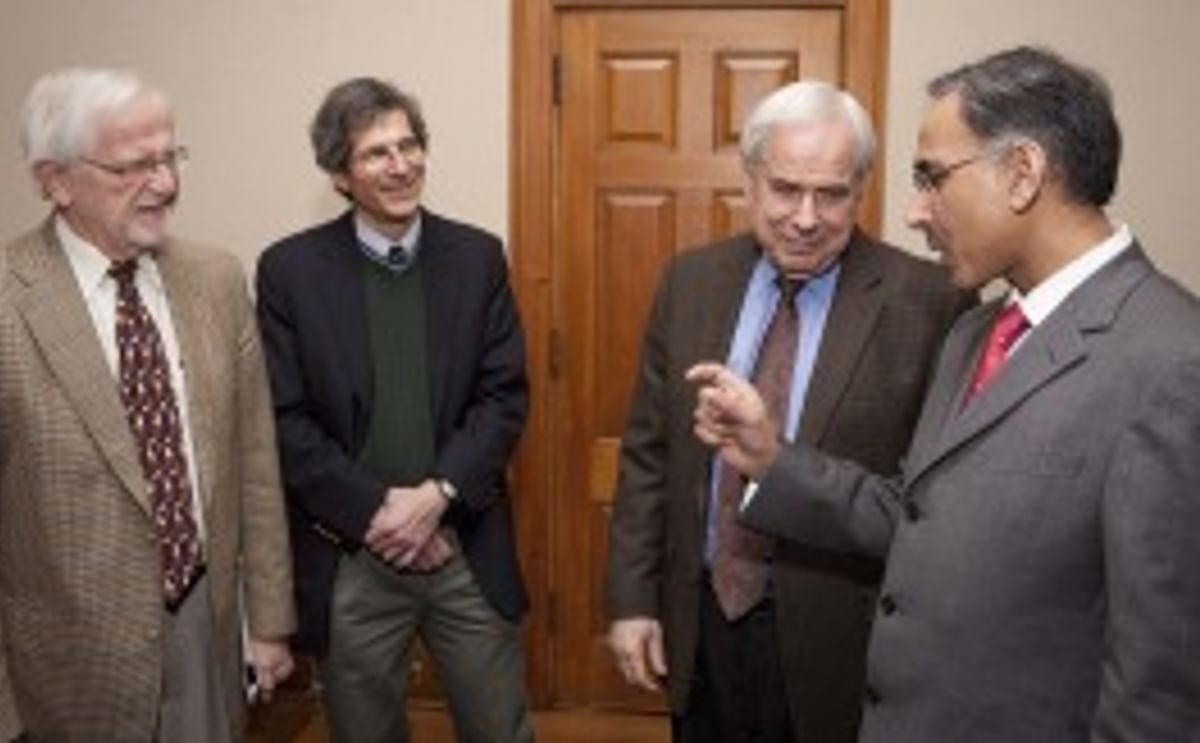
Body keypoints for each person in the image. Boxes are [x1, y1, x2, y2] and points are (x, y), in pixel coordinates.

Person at [690, 46, 1200, 742]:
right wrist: (770, 458)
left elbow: (1162, 689)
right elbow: (915, 515)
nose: (913, 212)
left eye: (932, 178)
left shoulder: (1174, 361)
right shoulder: (977, 332)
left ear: (1022, 173)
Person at [605, 80, 973, 742]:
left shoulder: (931, 305)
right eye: (784, 188)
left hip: (838, 637)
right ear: (749, 181)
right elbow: (647, 455)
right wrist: (633, 601)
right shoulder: (689, 281)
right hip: (702, 623)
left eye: (831, 193)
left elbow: (929, 508)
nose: (806, 217)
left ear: (861, 190)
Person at [0, 67, 295, 742]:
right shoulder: (10, 300)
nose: (165, 184)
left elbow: (255, 462)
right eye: (134, 165)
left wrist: (270, 620)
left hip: (206, 623)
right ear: (55, 179)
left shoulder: (216, 279)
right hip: (64, 665)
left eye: (170, 157)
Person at [256, 77, 532, 743]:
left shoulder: (476, 256)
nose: (402, 164)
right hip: (353, 555)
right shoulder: (289, 271)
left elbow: (504, 396)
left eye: (410, 145)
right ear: (340, 174)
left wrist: (435, 496)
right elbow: (286, 421)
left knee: (503, 730)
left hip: (463, 544)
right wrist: (383, 512)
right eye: (377, 153)